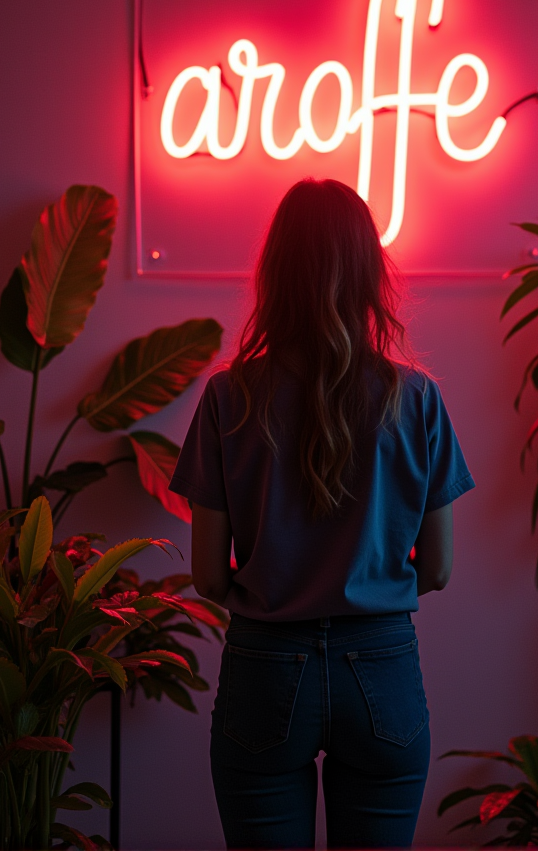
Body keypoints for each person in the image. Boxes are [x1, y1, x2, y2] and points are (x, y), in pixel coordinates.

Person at [169, 178, 475, 850]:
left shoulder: (228, 399)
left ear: (274, 274)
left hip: (265, 666)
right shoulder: (415, 399)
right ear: (370, 272)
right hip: (383, 669)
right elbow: (441, 568)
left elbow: (208, 577)